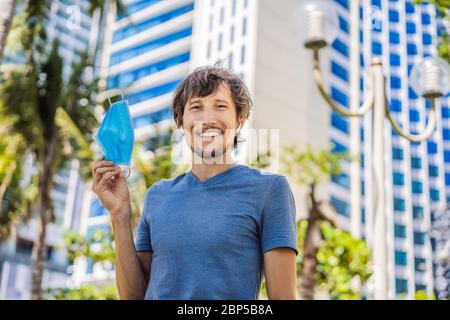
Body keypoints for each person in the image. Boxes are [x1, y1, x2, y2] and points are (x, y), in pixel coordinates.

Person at [91, 67, 298, 300]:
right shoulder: (157, 195)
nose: (208, 119)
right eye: (196, 107)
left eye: (220, 106)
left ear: (239, 119)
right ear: (181, 121)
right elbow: (134, 296)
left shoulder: (269, 190)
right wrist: (119, 214)